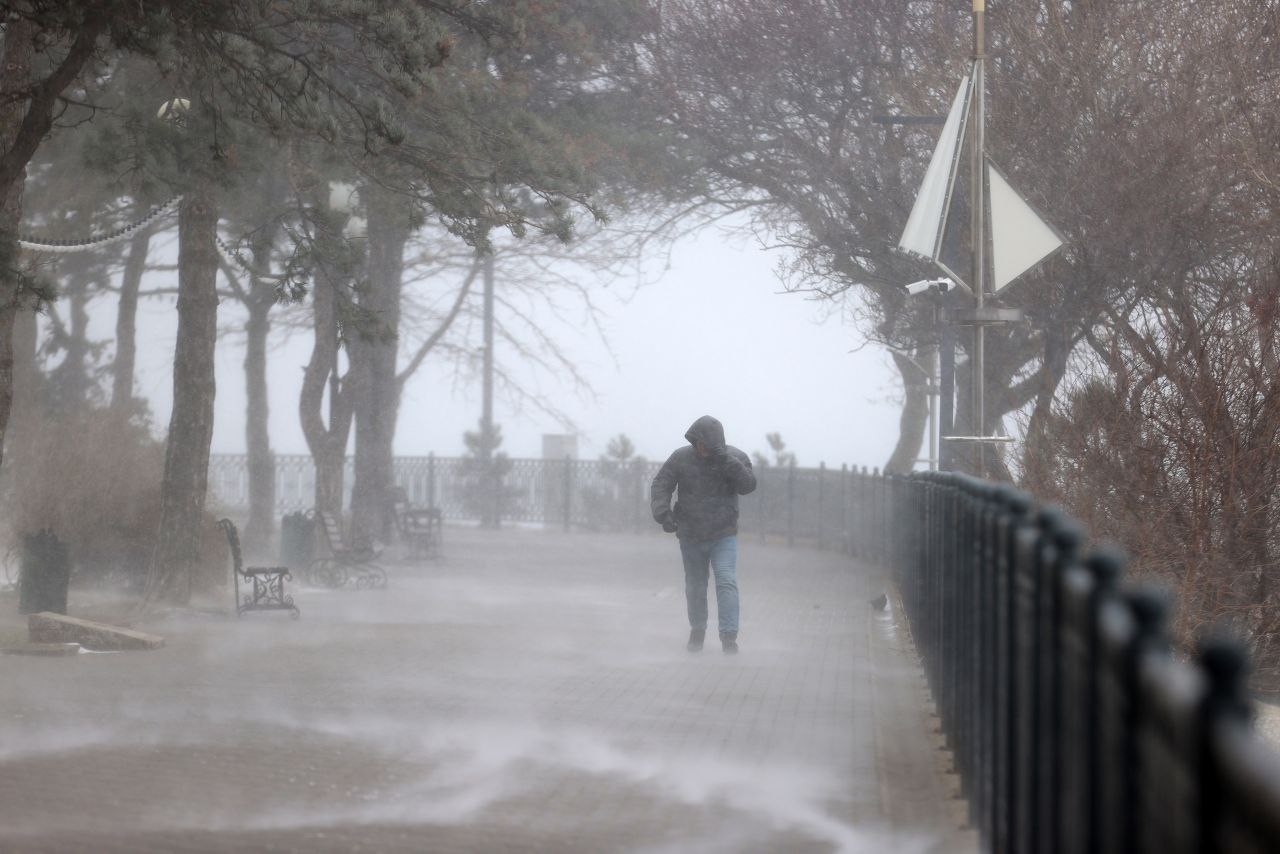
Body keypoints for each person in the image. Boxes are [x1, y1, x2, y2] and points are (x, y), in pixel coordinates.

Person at [651, 415, 757, 654]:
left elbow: (748, 485)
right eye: (697, 442)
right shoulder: (681, 458)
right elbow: (661, 483)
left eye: (705, 443)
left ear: (716, 442)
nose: (701, 448)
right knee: (695, 586)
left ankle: (729, 637)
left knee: (726, 580)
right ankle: (697, 630)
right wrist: (663, 513)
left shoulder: (735, 458)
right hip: (690, 533)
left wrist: (726, 461)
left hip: (723, 534)